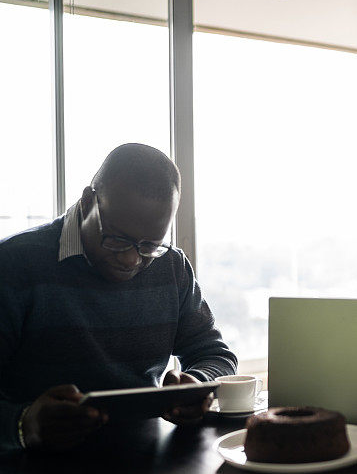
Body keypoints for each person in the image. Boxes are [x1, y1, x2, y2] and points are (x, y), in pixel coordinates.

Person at [0, 143, 238, 452]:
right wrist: (23, 423)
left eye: (150, 245)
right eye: (117, 239)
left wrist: (198, 383)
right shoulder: (14, 265)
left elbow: (216, 355)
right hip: (31, 473)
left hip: (146, 468)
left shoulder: (172, 266)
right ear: (87, 203)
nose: (131, 259)